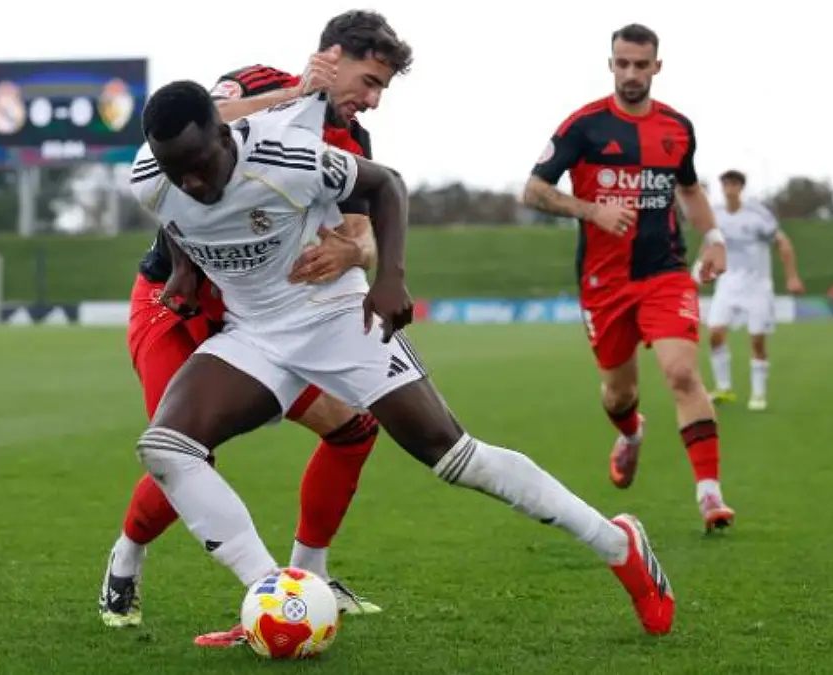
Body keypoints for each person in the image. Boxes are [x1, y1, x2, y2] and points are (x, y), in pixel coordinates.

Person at [129, 80, 676, 640]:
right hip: (254, 336)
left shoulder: (284, 158)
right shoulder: (151, 178)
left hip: (337, 318)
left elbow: (387, 185)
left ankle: (617, 543)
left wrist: (389, 277)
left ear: (223, 135)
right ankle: (276, 595)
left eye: (200, 165)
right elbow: (176, 220)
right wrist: (182, 270)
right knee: (167, 447)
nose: (193, 183)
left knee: (454, 457)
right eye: (179, 172)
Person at [98, 9, 414, 643]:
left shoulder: (353, 143)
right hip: (175, 300)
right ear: (333, 57)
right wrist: (296, 93)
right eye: (369, 81)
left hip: (262, 318)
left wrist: (355, 253)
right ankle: (125, 561)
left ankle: (309, 579)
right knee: (187, 450)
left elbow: (364, 235)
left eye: (383, 88)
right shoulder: (256, 83)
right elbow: (188, 143)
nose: (373, 100)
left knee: (353, 430)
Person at [522, 23, 736, 533]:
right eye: (623, 64)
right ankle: (632, 432)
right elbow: (533, 190)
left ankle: (710, 494)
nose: (632, 73)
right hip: (604, 283)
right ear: (611, 64)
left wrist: (714, 239)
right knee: (618, 395)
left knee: (683, 374)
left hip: (665, 272)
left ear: (656, 66)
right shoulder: (584, 126)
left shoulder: (678, 128)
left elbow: (690, 189)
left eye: (642, 65)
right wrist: (590, 210)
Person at [703, 169, 804, 411]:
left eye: (734, 183)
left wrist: (792, 277)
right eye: (726, 183)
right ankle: (724, 388)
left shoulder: (757, 215)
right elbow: (710, 245)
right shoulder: (714, 215)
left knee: (757, 339)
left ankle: (758, 393)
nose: (729, 187)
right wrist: (703, 268)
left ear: (741, 188)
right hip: (727, 284)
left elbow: (783, 243)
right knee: (715, 334)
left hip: (757, 286)